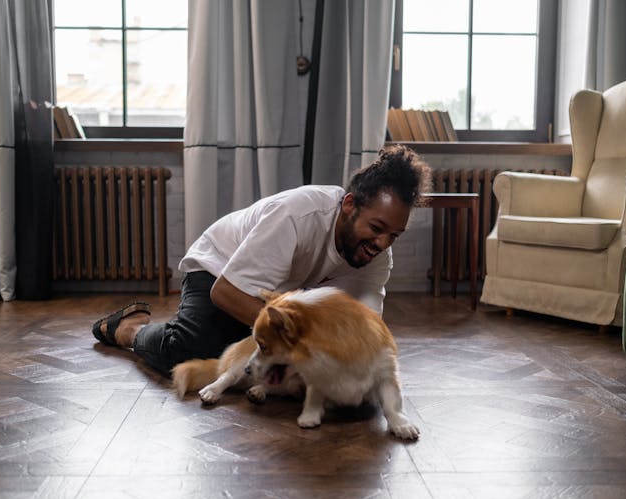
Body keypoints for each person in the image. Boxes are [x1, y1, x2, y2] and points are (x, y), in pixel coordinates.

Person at [92, 144, 431, 375]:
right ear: (349, 205)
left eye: (394, 236)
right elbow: (224, 294)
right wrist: (297, 338)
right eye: (376, 228)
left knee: (260, 362)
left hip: (276, 299)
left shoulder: (377, 256)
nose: (382, 243)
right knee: (190, 352)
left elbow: (364, 329)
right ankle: (129, 329)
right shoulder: (297, 214)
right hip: (219, 272)